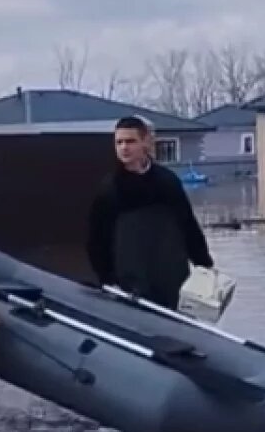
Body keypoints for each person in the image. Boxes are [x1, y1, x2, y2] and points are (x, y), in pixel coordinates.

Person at [86, 115, 214, 310]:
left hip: (172, 279)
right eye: (118, 142)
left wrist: (204, 264)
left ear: (145, 142)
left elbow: (188, 225)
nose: (124, 148)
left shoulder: (167, 181)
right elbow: (96, 240)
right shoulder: (110, 189)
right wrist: (107, 280)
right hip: (131, 287)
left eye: (130, 141)